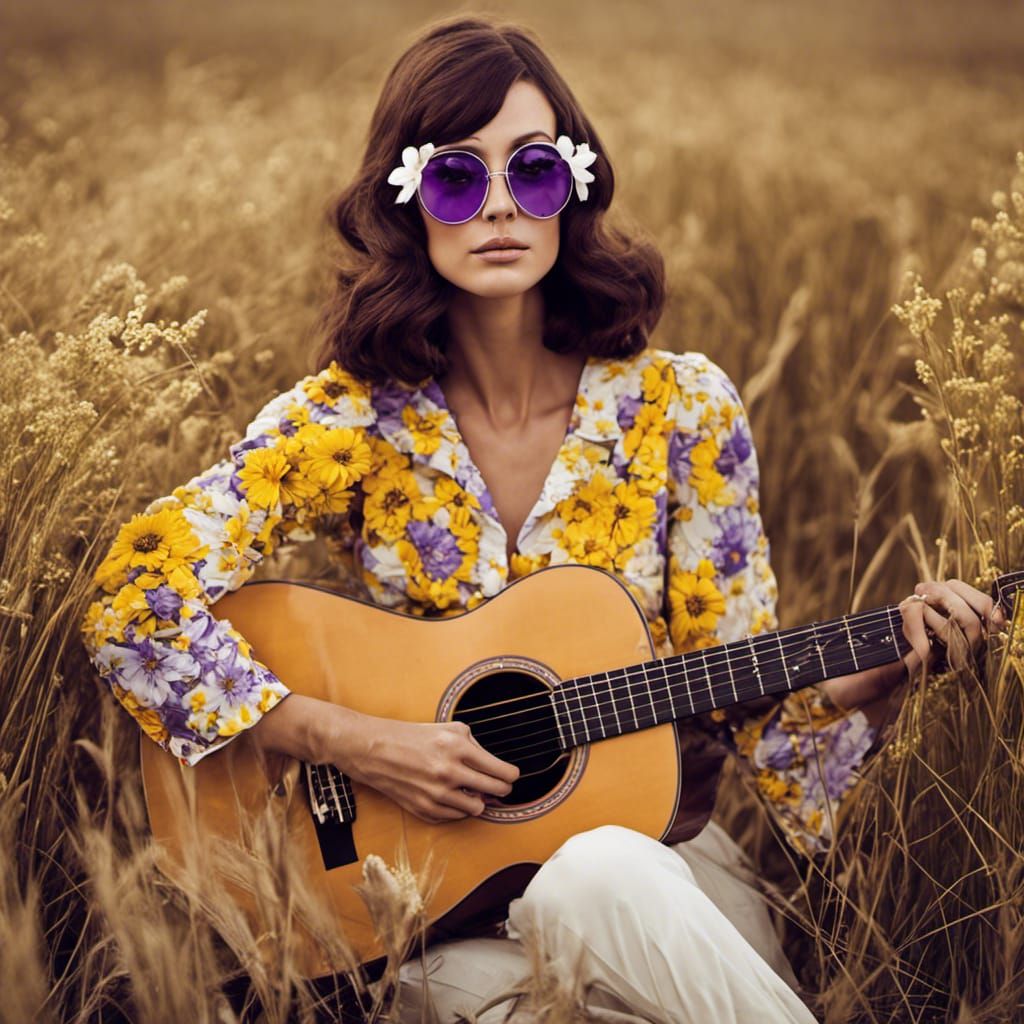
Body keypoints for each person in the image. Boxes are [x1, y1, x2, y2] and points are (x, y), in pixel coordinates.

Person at [79, 15, 1007, 1024]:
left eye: (531, 171)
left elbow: (748, 712)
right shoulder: (349, 422)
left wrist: (882, 668)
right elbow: (130, 599)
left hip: (658, 881)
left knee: (594, 871)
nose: (497, 207)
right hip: (437, 917)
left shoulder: (680, 409)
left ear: (572, 186)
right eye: (454, 177)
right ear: (407, 201)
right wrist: (356, 741)